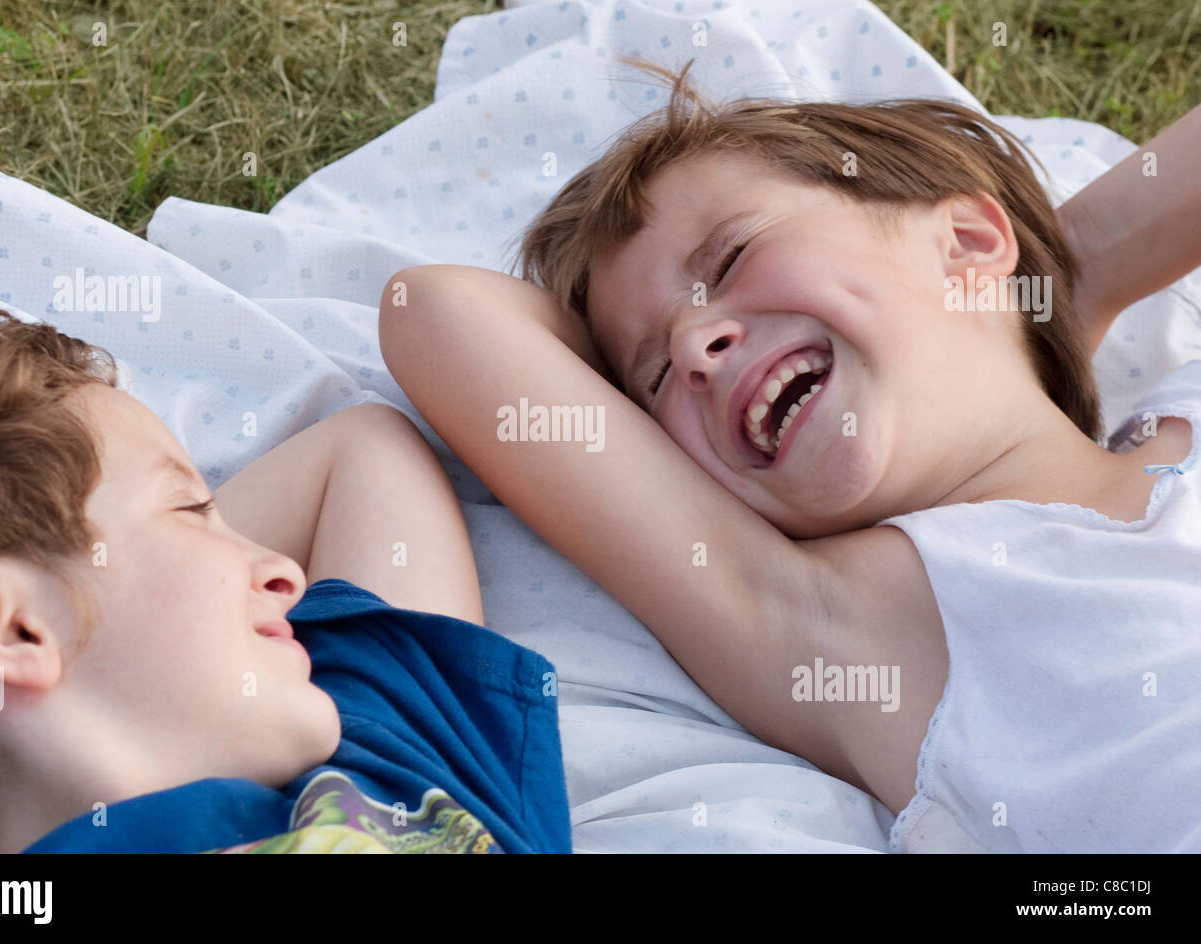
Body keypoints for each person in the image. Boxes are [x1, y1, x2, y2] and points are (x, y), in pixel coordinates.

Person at [379, 61, 1201, 852]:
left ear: (967, 239)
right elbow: (437, 311)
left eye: (731, 259)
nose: (698, 345)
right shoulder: (840, 624)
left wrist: (1043, 286)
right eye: (659, 375)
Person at [0, 309, 571, 854]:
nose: (287, 575)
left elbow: (366, 451)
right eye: (192, 508)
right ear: (9, 621)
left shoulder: (401, 770)